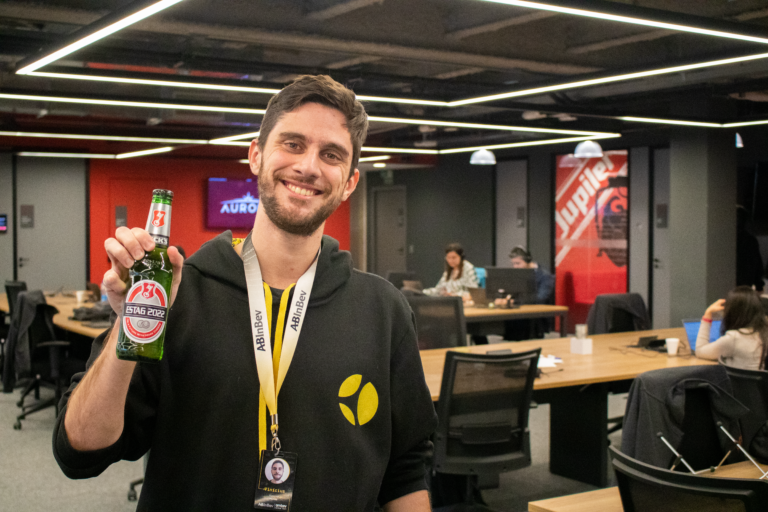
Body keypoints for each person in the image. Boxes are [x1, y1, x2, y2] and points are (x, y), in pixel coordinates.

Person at [53, 75, 437, 511]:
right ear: (256, 155)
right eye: (292, 144)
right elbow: (80, 452)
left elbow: (405, 469)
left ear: (349, 182)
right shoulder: (180, 296)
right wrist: (130, 320)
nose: (309, 166)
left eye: (331, 155)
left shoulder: (382, 310)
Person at [696, 286, 768, 370]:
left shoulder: (734, 338)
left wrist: (707, 314)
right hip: (760, 383)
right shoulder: (764, 333)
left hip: (738, 383)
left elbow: (700, 351)